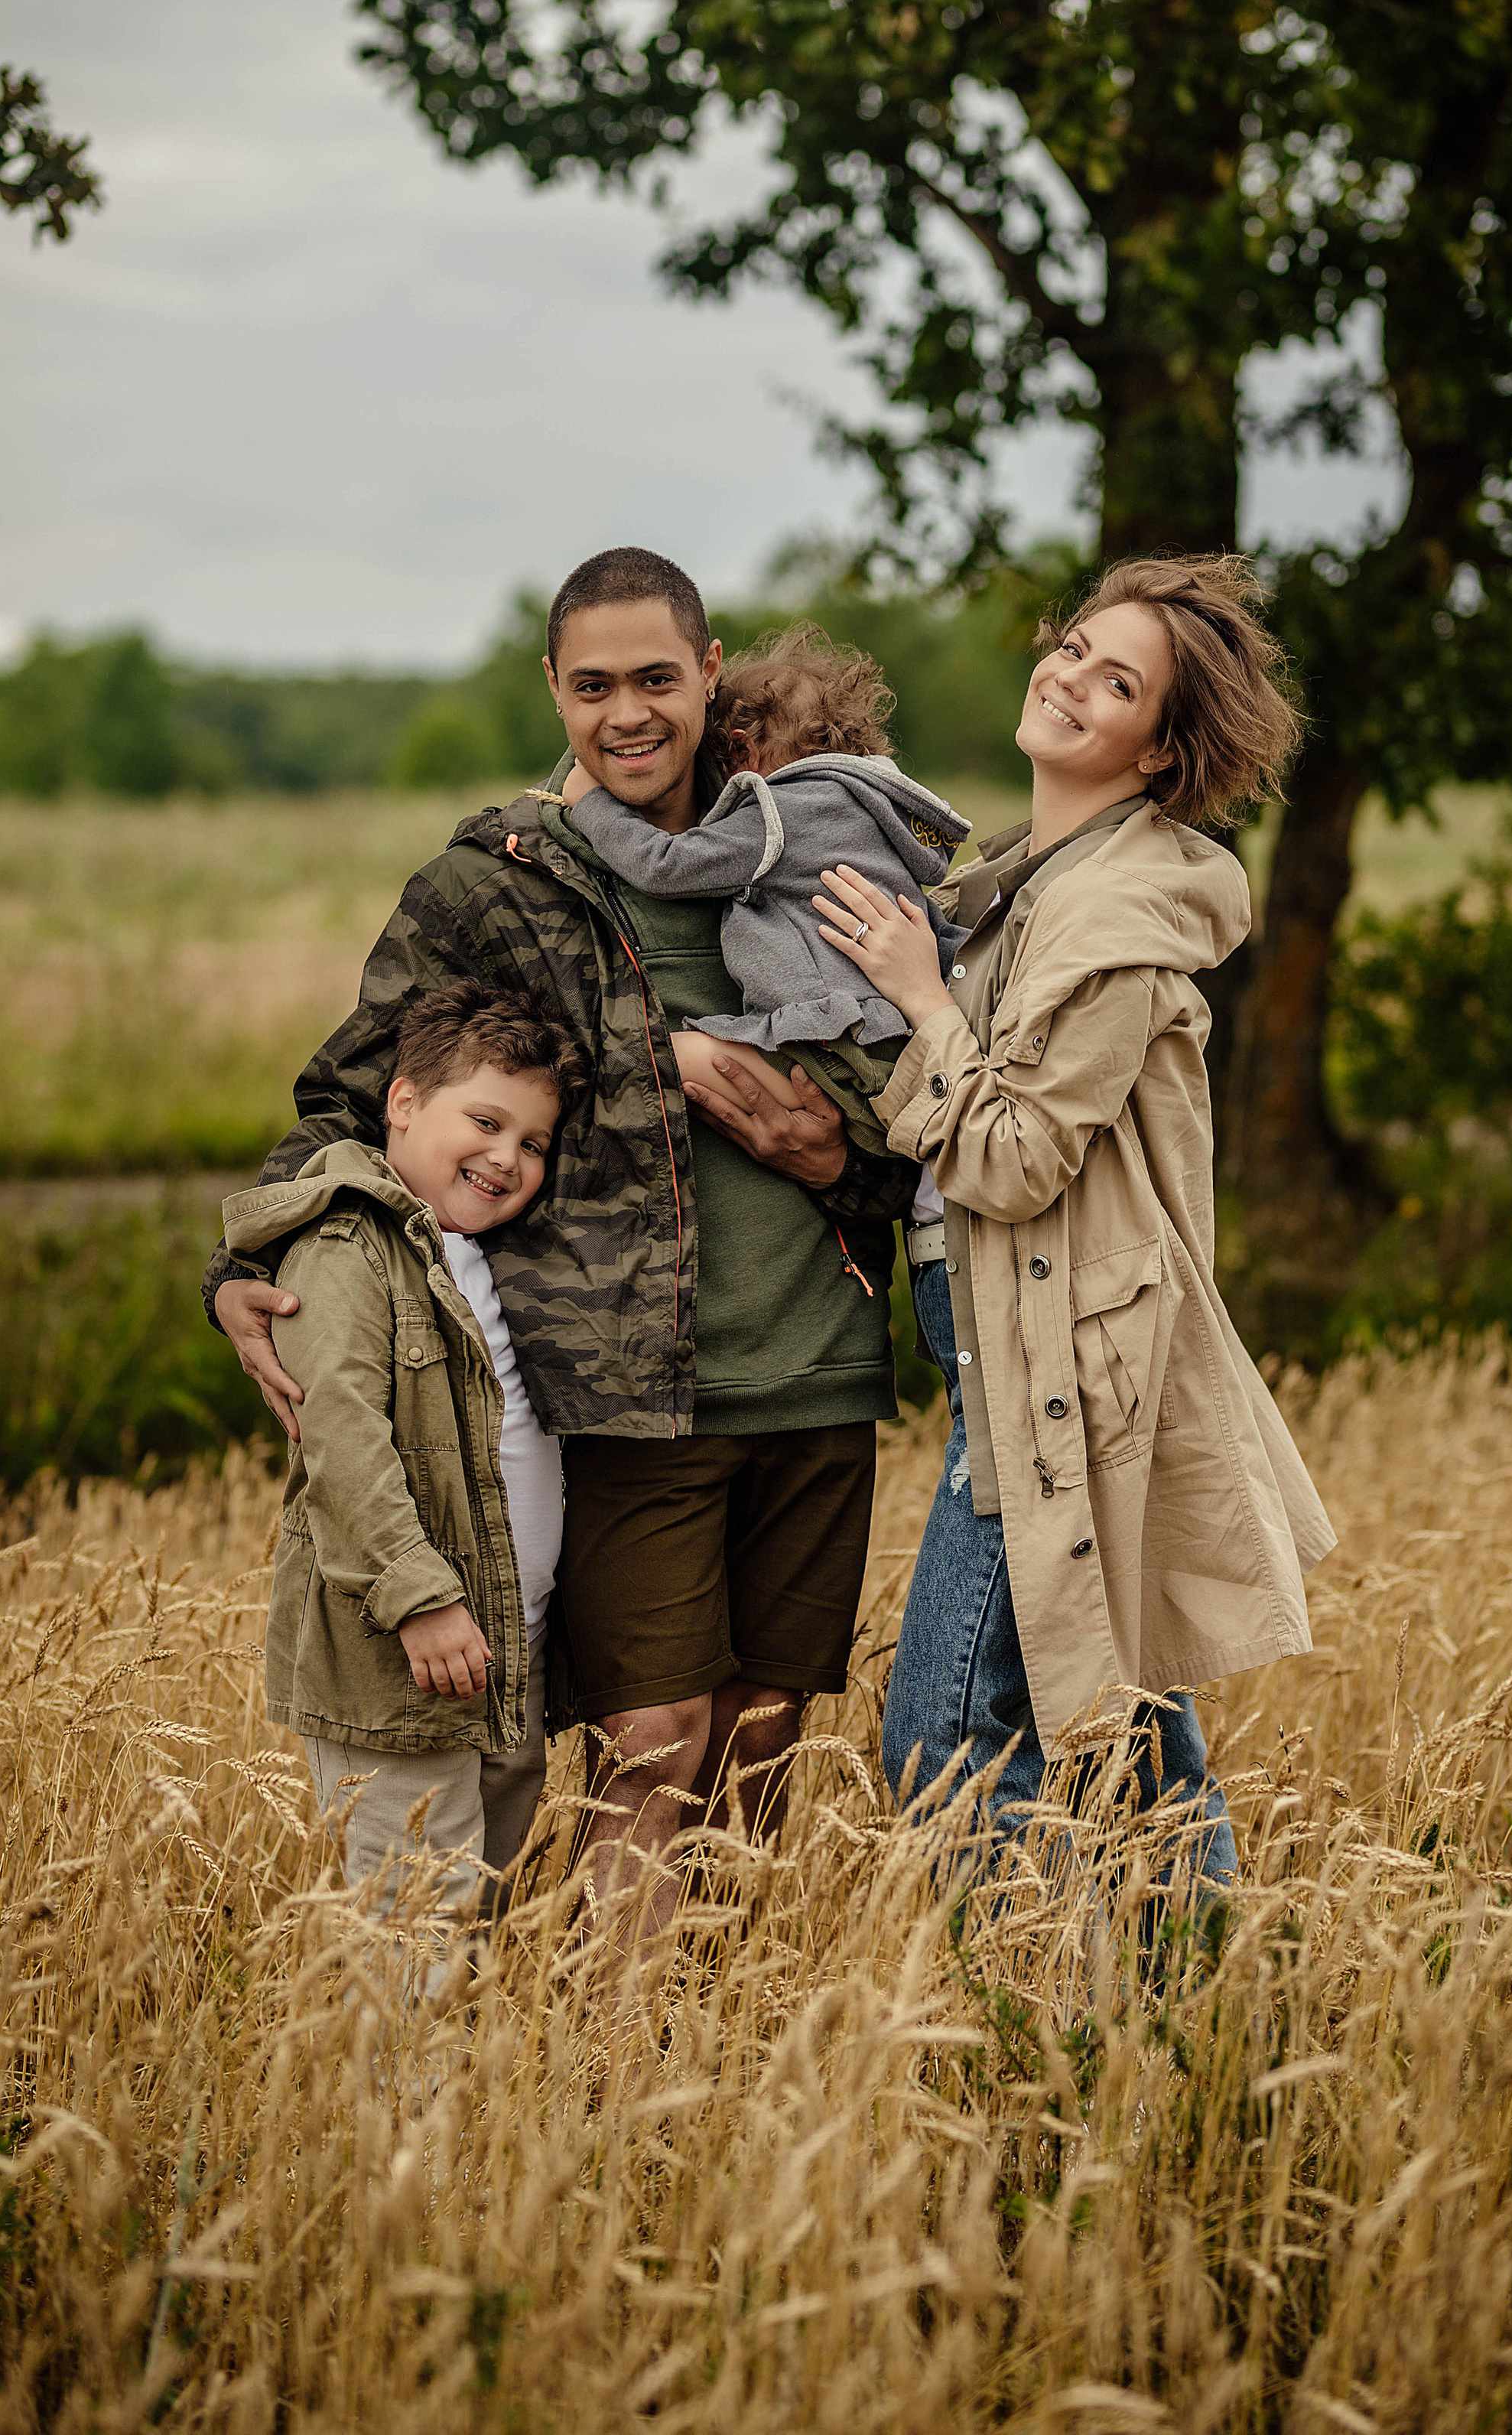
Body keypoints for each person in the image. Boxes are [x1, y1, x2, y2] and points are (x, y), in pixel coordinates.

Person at [204, 547, 916, 1949]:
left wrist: (846, 1164)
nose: (627, 713)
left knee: (763, 1737)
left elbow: (925, 1098)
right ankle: (597, 2060)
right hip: (627, 1391)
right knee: (653, 1738)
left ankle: (711, 2053)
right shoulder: (498, 884)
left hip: (818, 1371)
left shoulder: (814, 847)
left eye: (656, 678)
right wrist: (242, 1264)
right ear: (554, 689)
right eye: (594, 686)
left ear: (710, 672)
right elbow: (349, 1101)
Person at [810, 554, 1338, 1891]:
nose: (1070, 679)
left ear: (1159, 750)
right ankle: (1199, 2000)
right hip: (1017, 1331)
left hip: (1055, 1359)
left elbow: (1011, 1159)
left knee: (945, 1743)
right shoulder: (1026, 881)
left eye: (1118, 685)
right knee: (1135, 1727)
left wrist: (923, 1000)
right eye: (1075, 648)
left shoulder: (1113, 915)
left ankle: (1007, 2003)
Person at [223, 981, 586, 1984]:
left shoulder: (481, 1255)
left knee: (471, 1926)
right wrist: (419, 1597)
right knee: (415, 1930)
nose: (508, 1157)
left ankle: (455, 2084)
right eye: (486, 1122)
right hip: (404, 1651)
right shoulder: (349, 1244)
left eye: (534, 1142)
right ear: (403, 1103)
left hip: (503, 1650)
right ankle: (402, 2094)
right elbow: (341, 1439)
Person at [566, 621, 971, 1151]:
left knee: (655, 1057)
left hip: (833, 1046)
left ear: (742, 750)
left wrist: (590, 803)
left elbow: (663, 865)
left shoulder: (781, 812)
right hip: (896, 1042)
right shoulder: (870, 807)